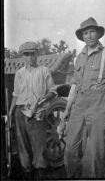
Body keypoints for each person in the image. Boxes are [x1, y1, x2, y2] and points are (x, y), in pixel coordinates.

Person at [61, 17, 105, 178]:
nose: (89, 36)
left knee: (97, 156)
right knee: (70, 152)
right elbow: (74, 84)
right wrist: (67, 109)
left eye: (92, 31)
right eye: (85, 33)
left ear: (98, 33)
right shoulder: (79, 58)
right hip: (79, 105)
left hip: (100, 105)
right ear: (82, 36)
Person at [8, 41, 57, 179]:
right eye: (26, 54)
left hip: (38, 112)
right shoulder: (19, 73)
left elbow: (53, 91)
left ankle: (40, 172)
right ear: (23, 56)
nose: (30, 57)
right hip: (20, 112)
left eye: (32, 54)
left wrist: (43, 100)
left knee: (39, 145)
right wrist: (11, 113)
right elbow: (15, 95)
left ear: (37, 54)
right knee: (23, 145)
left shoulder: (44, 71)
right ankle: (27, 171)